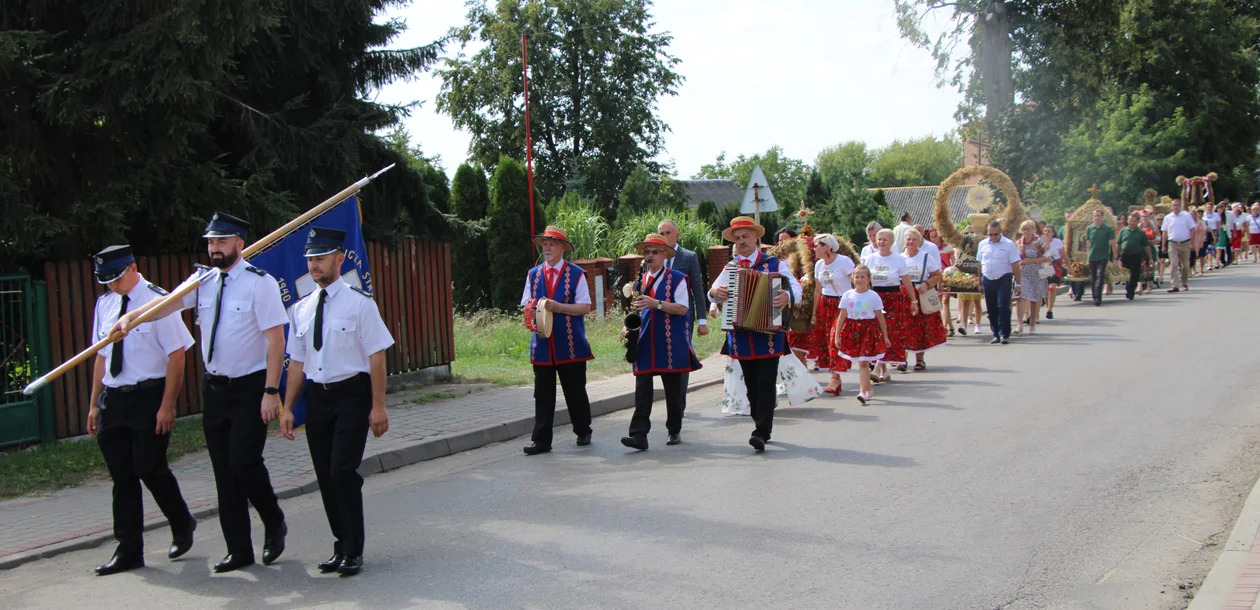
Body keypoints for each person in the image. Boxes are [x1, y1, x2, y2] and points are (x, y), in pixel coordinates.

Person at [117, 213, 288, 573]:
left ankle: (273, 520)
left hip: (250, 387)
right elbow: (165, 305)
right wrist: (131, 318)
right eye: (211, 242)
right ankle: (239, 549)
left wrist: (271, 391)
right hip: (215, 388)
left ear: (239, 244)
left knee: (244, 461)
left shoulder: (261, 284)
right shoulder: (202, 280)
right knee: (224, 471)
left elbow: (276, 341)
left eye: (221, 242)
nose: (214, 248)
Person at [279, 227, 394, 577]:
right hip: (319, 398)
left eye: (321, 258)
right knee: (326, 476)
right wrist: (287, 407)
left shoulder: (360, 304)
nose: (314, 265)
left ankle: (354, 549)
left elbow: (376, 357)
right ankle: (340, 544)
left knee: (342, 471)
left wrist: (378, 406)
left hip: (352, 395)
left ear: (339, 259)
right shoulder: (301, 308)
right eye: (311, 259)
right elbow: (297, 362)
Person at [87, 245, 197, 576]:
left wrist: (167, 405)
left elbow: (177, 355)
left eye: (116, 278)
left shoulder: (158, 302)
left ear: (133, 268)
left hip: (148, 396)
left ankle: (181, 522)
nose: (111, 286)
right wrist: (94, 403)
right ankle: (129, 549)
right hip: (114, 398)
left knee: (150, 467)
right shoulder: (105, 304)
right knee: (122, 476)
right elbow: (101, 356)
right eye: (105, 280)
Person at [708, 217, 802, 452]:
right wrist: (714, 292)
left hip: (768, 333)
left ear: (756, 237)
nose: (741, 242)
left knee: (766, 382)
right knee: (751, 384)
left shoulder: (774, 264)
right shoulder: (730, 267)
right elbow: (713, 293)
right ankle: (760, 424)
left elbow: (796, 288)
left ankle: (761, 431)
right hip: (740, 334)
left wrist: (787, 297)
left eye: (745, 237)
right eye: (737, 239)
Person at [620, 234, 702, 451]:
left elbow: (683, 308)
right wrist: (626, 327)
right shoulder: (639, 281)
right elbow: (635, 310)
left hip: (670, 341)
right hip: (645, 341)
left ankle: (674, 429)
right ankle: (638, 436)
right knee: (642, 390)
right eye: (647, 252)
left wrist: (656, 304)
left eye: (655, 251)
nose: (650, 255)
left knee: (673, 392)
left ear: (665, 254)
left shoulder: (677, 278)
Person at [517, 226, 594, 455]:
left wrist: (557, 307)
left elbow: (585, 307)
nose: (547, 248)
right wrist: (531, 313)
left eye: (552, 244)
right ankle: (541, 441)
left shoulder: (577, 273)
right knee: (542, 393)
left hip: (570, 344)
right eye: (545, 244)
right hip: (542, 345)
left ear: (563, 248)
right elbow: (526, 303)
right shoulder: (533, 274)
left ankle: (583, 430)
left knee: (575, 391)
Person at [656, 220, 708, 415]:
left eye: (668, 232)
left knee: (681, 356)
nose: (665, 236)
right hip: (660, 316)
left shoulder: (688, 257)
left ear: (677, 234)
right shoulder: (653, 258)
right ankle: (671, 398)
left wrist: (702, 320)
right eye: (661, 232)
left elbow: (697, 289)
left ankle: (679, 403)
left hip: (683, 316)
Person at [861, 228, 918, 378]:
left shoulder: (898, 259)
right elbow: (864, 279)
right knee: (876, 332)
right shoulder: (871, 258)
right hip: (875, 297)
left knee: (890, 331)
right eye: (879, 239)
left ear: (891, 242)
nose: (881, 242)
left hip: (892, 298)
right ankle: (884, 370)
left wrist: (913, 300)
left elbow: (906, 281)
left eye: (884, 239)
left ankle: (878, 368)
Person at [833, 265, 891, 405]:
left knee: (864, 362)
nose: (859, 279)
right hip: (853, 330)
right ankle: (867, 390)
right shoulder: (848, 295)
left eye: (862, 277)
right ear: (852, 278)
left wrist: (885, 335)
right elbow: (842, 315)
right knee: (860, 361)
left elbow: (880, 317)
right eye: (856, 276)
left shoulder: (873, 296)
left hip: (868, 330)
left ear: (869, 279)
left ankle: (863, 392)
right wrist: (837, 335)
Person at [808, 233, 855, 394]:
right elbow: (818, 290)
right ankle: (834, 375)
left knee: (836, 339)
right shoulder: (819, 265)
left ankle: (835, 378)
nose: (814, 248)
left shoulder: (844, 261)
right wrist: (814, 313)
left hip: (842, 304)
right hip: (825, 304)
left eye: (817, 245)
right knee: (825, 339)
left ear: (827, 246)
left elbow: (857, 282)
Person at [901, 230, 945, 368]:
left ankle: (919, 359)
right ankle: (902, 358)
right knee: (903, 327)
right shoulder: (899, 257)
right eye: (908, 239)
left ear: (920, 242)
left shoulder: (926, 257)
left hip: (920, 294)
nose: (910, 242)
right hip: (903, 295)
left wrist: (926, 284)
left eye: (913, 239)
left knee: (920, 327)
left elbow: (938, 275)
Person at [977, 221, 1022, 344]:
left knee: (1003, 306)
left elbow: (1015, 265)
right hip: (987, 278)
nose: (993, 237)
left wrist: (1018, 283)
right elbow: (980, 263)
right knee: (991, 308)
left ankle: (1004, 334)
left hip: (1003, 277)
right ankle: (995, 333)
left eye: (995, 234)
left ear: (1000, 232)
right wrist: (979, 281)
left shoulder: (1009, 244)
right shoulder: (982, 244)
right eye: (990, 234)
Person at [1014, 220, 1050, 335]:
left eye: (1028, 229)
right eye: (1023, 229)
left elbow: (1048, 258)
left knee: (1034, 299)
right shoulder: (1018, 243)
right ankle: (1019, 324)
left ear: (1033, 230)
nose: (1025, 231)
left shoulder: (1039, 242)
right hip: (1023, 273)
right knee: (1020, 297)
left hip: (1037, 272)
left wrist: (1032, 261)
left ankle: (1032, 324)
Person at [1117, 212, 1154, 300]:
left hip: (1136, 256)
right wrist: (1116, 255)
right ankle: (1128, 286)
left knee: (1135, 274)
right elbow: (1118, 243)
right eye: (1130, 220)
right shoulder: (1123, 230)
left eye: (1134, 221)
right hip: (1125, 255)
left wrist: (1150, 258)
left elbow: (1146, 246)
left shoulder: (1141, 232)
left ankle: (1131, 290)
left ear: (1137, 222)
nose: (1132, 222)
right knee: (1126, 273)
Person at [1162, 198, 1196, 293]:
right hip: (1173, 243)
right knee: (1174, 264)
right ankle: (1175, 285)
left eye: (1177, 205)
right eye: (1174, 205)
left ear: (1180, 206)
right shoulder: (1168, 218)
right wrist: (1164, 245)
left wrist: (1192, 243)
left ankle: (1184, 282)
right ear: (1171, 206)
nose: (1176, 207)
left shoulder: (1187, 216)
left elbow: (1193, 229)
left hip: (1185, 243)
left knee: (1186, 265)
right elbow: (1164, 232)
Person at [1085, 209, 1117, 305]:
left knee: (1100, 275)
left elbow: (1113, 243)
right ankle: (1094, 296)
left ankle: (1098, 298)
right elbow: (1088, 244)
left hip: (1103, 256)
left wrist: (1115, 258)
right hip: (1092, 256)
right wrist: (1087, 258)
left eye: (1099, 215)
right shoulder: (1089, 228)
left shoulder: (1107, 228)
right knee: (1094, 277)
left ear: (1102, 217)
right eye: (1095, 215)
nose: (1097, 217)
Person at [1041, 225, 1064, 319]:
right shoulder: (1040, 242)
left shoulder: (1057, 242)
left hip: (1055, 266)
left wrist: (1069, 267)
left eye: (1049, 231)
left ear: (1053, 233)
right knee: (1045, 289)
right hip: (1044, 266)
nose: (1047, 232)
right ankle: (1048, 305)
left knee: (1052, 287)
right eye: (1045, 231)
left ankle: (1050, 309)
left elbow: (1064, 255)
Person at [1203, 202, 1222, 271]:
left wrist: (1219, 235)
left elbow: (1218, 225)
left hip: (1214, 231)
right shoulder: (1203, 214)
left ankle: (1213, 263)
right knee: (1208, 248)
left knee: (1212, 248)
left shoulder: (1216, 215)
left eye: (1210, 207)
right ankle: (1210, 264)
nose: (1209, 208)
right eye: (1208, 207)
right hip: (1205, 232)